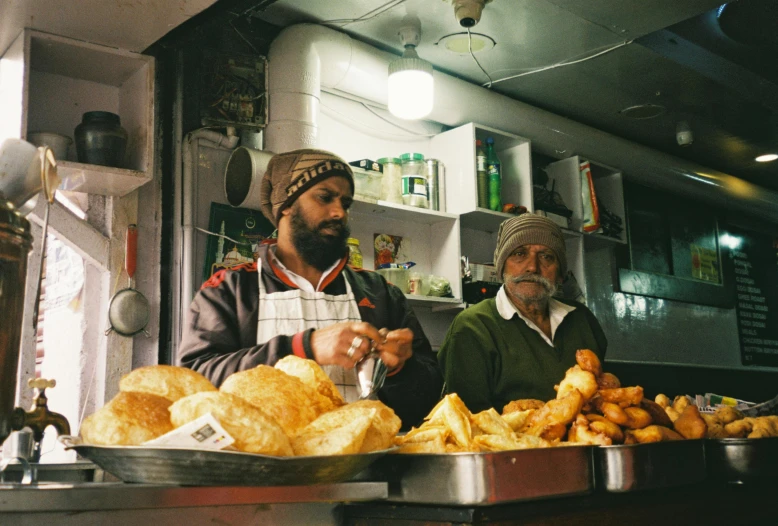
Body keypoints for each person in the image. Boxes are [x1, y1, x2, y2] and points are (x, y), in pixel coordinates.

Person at [177, 149, 442, 428]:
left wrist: (399, 369)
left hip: (364, 465)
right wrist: (303, 347)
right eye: (324, 197)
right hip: (263, 463)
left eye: (346, 202)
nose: (339, 212)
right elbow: (193, 385)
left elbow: (428, 402)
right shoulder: (230, 290)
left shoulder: (380, 293)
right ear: (287, 204)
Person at [437, 213, 607, 413]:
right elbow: (468, 421)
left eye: (546, 257)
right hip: (510, 444)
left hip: (585, 440)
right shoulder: (473, 327)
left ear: (560, 273)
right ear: (501, 267)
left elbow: (604, 396)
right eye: (519, 254)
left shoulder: (581, 318)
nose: (532, 267)